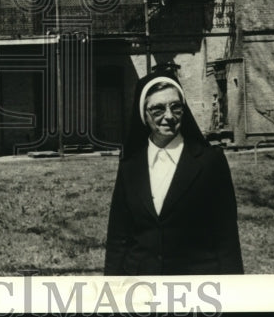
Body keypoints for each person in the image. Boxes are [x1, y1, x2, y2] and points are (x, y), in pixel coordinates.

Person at [104, 69, 243, 275]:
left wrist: (234, 294)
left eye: (176, 107)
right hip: (141, 286)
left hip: (196, 286)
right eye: (158, 109)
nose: (168, 116)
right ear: (143, 113)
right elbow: (118, 236)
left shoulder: (209, 161)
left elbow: (226, 237)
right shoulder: (130, 164)